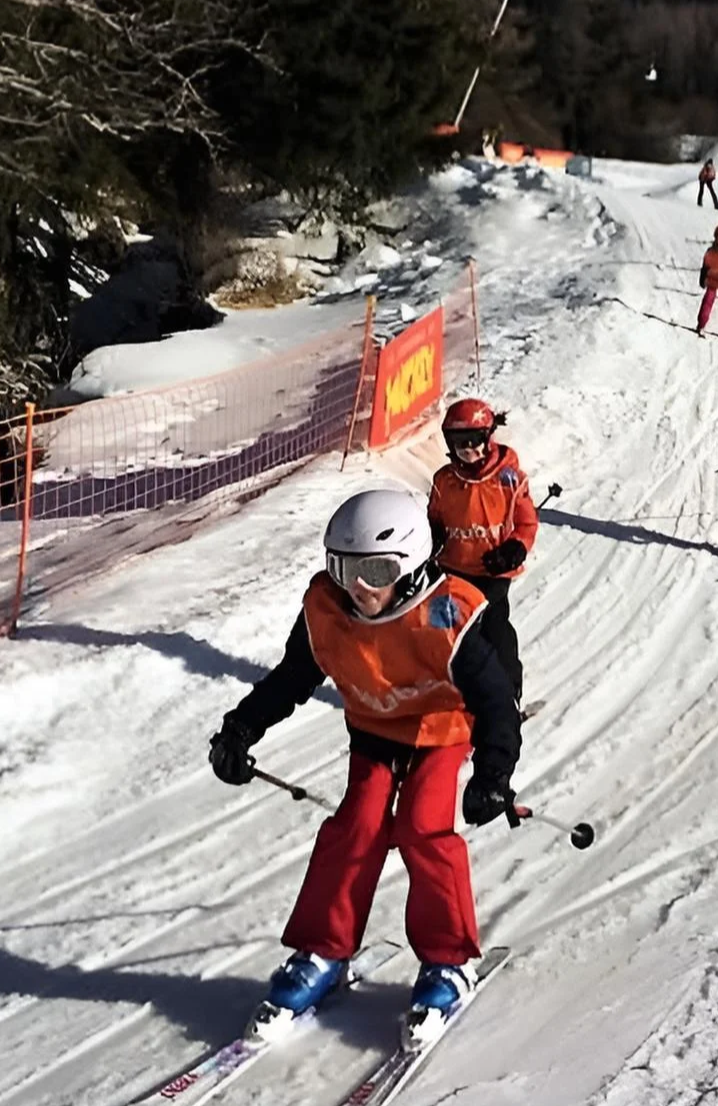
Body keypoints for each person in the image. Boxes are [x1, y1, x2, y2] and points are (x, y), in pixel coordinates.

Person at [208, 489, 522, 1044]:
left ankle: (448, 960)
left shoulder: (449, 614)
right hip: (375, 733)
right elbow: (291, 679)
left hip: (438, 732)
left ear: (411, 566)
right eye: (343, 567)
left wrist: (493, 772)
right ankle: (325, 952)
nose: (358, 585)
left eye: (375, 570)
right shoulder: (328, 611)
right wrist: (240, 728)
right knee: (356, 829)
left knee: (424, 827)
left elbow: (498, 701)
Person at [427, 399, 539, 705]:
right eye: (457, 442)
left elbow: (526, 521)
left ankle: (506, 691)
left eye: (473, 441)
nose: (465, 449)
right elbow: (435, 519)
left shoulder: (509, 478)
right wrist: (431, 541)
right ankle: (453, 691)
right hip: (454, 567)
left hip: (493, 570)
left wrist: (515, 548)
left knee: (491, 625)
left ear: (488, 438)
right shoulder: (445, 481)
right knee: (446, 628)